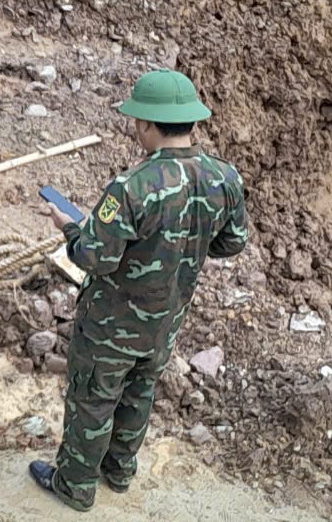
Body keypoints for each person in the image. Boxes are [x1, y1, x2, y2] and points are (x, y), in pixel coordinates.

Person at [30, 69, 249, 512]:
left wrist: (71, 227)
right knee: (139, 392)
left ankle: (75, 485)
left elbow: (94, 257)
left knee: (92, 399)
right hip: (167, 320)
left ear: (147, 124)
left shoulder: (133, 186)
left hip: (112, 324)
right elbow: (232, 243)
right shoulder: (224, 178)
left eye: (137, 122)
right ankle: (119, 471)